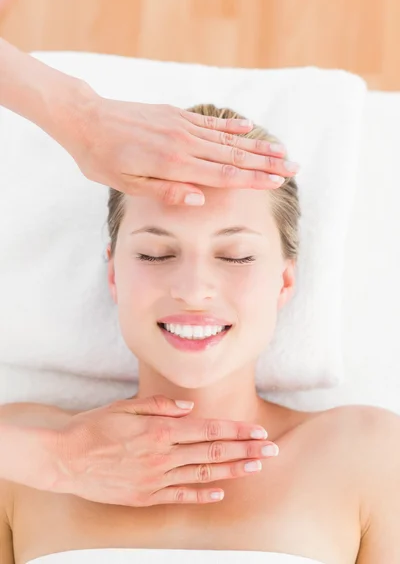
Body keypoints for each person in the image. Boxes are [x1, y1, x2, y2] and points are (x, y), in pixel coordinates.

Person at [1, 103, 400, 564]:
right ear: (114, 275)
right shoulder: (20, 451)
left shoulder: (368, 452)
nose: (193, 291)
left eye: (235, 256)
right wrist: (55, 461)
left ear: (285, 281)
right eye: (154, 253)